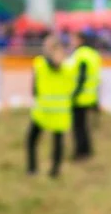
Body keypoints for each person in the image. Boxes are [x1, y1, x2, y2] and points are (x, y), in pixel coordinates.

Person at [27, 32, 77, 178]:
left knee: (34, 141)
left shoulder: (40, 65)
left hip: (44, 111)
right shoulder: (69, 68)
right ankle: (53, 171)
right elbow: (71, 88)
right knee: (56, 143)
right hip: (58, 112)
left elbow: (34, 88)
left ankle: (34, 170)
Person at [68, 34, 103, 160]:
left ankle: (80, 153)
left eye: (73, 39)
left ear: (80, 40)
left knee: (78, 128)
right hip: (90, 96)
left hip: (79, 97)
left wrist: (73, 94)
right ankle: (87, 151)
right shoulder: (93, 54)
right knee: (84, 126)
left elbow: (81, 78)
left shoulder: (80, 55)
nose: (71, 41)